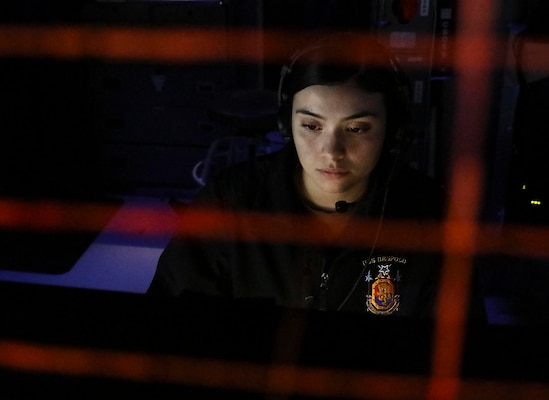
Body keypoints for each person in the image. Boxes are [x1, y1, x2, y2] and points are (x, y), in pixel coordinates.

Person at [147, 33, 471, 318]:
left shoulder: (429, 216)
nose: (331, 151)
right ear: (287, 124)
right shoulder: (230, 203)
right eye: (311, 126)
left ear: (392, 129)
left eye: (357, 128)